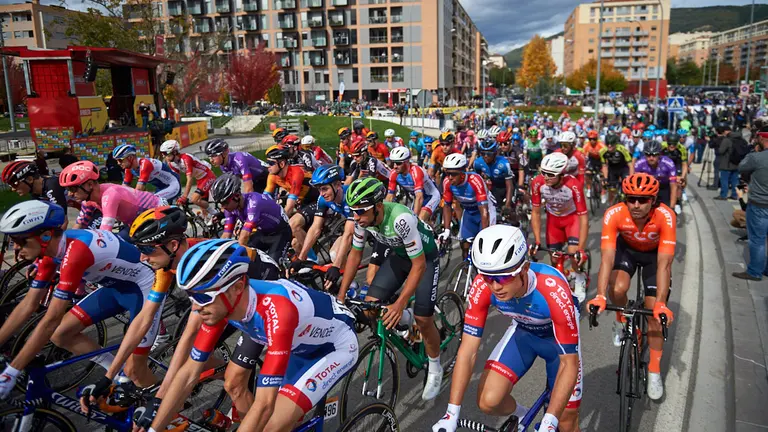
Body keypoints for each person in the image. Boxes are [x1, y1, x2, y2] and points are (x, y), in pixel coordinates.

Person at [142, 239, 358, 431]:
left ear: (236, 287)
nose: (196, 308)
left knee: (271, 424)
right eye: (191, 297)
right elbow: (189, 372)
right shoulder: (222, 305)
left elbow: (264, 404)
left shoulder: (277, 310)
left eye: (203, 298)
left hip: (335, 346)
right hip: (298, 344)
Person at [0, 201, 157, 400]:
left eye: (21, 241)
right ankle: (118, 375)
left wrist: (12, 371)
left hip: (144, 288)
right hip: (116, 287)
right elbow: (28, 305)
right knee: (61, 334)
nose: (16, 248)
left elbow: (51, 318)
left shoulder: (76, 253)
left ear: (45, 236)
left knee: (136, 370)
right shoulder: (51, 253)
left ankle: (168, 414)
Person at [432, 225, 582, 432]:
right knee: (488, 401)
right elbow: (467, 351)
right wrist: (451, 413)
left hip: (558, 344)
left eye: (503, 277)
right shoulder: (482, 286)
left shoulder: (552, 288)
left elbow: (569, 363)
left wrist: (549, 422)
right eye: (487, 276)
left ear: (525, 269)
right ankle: (524, 416)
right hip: (524, 334)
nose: (495, 286)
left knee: (566, 419)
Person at [337, 177, 443, 401]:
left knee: (424, 319)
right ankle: (409, 326)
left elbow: (420, 265)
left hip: (425, 259)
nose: (356, 217)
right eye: (353, 211)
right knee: (370, 307)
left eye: (361, 211)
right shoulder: (362, 220)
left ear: (377, 207)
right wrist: (340, 295)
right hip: (401, 256)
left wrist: (400, 303)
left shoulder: (400, 219)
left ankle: (435, 365)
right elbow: (355, 255)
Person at [587, 173, 676, 400]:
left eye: (643, 200)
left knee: (654, 315)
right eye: (631, 198)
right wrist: (599, 295)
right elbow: (606, 259)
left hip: (654, 258)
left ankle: (654, 370)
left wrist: (662, 304)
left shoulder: (666, 216)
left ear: (653, 200)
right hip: (627, 251)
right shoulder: (614, 213)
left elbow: (665, 265)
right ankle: (622, 322)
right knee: (616, 290)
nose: (636, 205)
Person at [529, 152, 589, 302]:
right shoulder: (537, 182)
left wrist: (581, 248)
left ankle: (580, 278)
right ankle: (563, 279)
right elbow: (536, 213)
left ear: (562, 174)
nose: (546, 177)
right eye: (543, 173)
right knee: (555, 259)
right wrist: (537, 240)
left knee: (573, 255)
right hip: (553, 221)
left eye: (550, 174)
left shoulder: (574, 185)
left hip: (572, 220)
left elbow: (583, 217)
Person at [59, 160, 165, 235]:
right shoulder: (88, 201)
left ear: (90, 185)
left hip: (157, 210)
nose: (70, 194)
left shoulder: (110, 195)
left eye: (73, 189)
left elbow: (104, 234)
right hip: (137, 220)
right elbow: (79, 226)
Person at [293, 164, 355, 288]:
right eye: (319, 189)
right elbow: (315, 228)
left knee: (337, 255)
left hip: (371, 228)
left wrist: (336, 266)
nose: (322, 194)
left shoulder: (350, 196)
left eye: (325, 189)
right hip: (357, 227)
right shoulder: (322, 199)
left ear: (337, 184)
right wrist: (301, 258)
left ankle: (350, 283)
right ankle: (349, 284)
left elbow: (349, 234)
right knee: (334, 254)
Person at [210, 173, 292, 264]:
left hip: (280, 233)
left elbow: (244, 237)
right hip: (263, 233)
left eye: (225, 202)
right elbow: (226, 235)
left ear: (236, 196)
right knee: (248, 260)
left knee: (273, 267)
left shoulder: (254, 203)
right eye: (221, 203)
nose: (223, 207)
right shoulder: (230, 209)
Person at [440, 153, 496, 259]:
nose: (450, 177)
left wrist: (483, 234)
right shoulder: (447, 182)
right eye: (447, 173)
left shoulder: (475, 180)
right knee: (464, 245)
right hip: (469, 212)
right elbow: (447, 206)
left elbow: (484, 212)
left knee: (484, 247)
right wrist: (447, 230)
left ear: (462, 172)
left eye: (454, 174)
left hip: (485, 210)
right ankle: (467, 270)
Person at [733, 126, 768, 281]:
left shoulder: (757, 157)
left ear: (761, 138)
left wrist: (753, 152)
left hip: (760, 204)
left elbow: (741, 167)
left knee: (757, 240)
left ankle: (755, 271)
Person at [1, 160, 69, 228]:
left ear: (29, 179)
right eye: (10, 186)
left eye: (15, 184)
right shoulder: (35, 190)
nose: (13, 189)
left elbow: (63, 222)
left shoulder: (52, 186)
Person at [160, 139, 217, 219]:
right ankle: (211, 223)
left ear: (175, 152)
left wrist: (184, 196)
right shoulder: (172, 164)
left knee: (194, 199)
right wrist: (176, 194)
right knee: (204, 211)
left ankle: (216, 213)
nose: (165, 157)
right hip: (199, 180)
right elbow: (176, 180)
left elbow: (189, 179)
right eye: (163, 155)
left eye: (166, 154)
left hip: (208, 176)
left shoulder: (186, 158)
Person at [387, 147, 441, 222]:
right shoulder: (393, 174)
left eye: (398, 163)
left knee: (419, 221)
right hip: (418, 197)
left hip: (431, 196)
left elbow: (419, 197)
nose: (394, 166)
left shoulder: (416, 171)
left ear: (407, 162)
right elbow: (389, 197)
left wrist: (414, 219)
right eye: (393, 162)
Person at [113, 144, 181, 201]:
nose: (118, 163)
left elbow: (139, 190)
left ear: (130, 157)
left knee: (150, 202)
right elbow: (124, 188)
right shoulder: (129, 169)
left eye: (120, 160)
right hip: (161, 188)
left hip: (173, 185)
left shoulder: (145, 164)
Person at [205, 138, 269, 193]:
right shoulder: (223, 165)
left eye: (214, 156)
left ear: (224, 153)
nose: (211, 160)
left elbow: (249, 188)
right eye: (209, 157)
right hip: (255, 180)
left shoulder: (239, 159)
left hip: (265, 175)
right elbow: (233, 186)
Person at [634, 140, 678, 209]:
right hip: (647, 188)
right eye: (648, 155)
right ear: (644, 154)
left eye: (654, 155)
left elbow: (673, 187)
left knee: (666, 208)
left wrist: (672, 207)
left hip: (664, 187)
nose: (651, 158)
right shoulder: (639, 164)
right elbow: (635, 185)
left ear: (659, 154)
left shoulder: (668, 163)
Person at [715, 124, 743, 201]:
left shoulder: (727, 140)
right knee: (735, 180)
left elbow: (721, 151)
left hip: (726, 163)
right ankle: (735, 195)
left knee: (724, 180)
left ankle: (723, 195)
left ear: (726, 131)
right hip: (737, 163)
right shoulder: (740, 139)